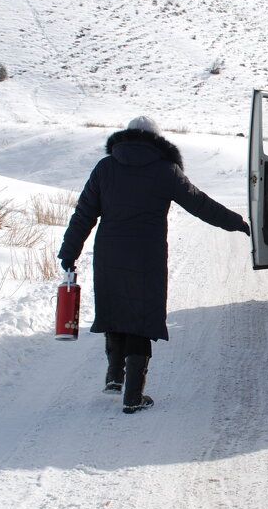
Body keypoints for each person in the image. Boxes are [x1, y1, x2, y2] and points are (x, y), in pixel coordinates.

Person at [58, 116, 250, 413]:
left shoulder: (105, 168)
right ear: (156, 140)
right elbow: (200, 204)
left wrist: (69, 252)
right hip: (147, 256)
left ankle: (113, 376)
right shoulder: (165, 170)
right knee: (141, 317)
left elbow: (84, 214)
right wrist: (236, 222)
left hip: (109, 253)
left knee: (115, 309)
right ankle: (133, 395)